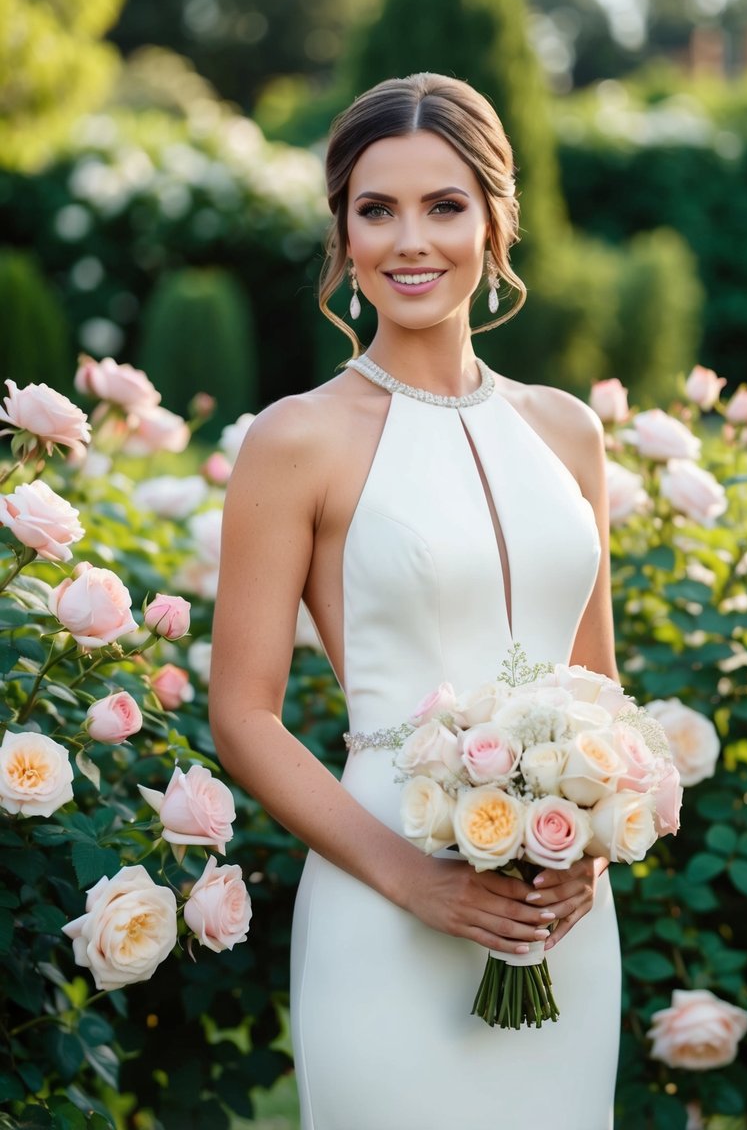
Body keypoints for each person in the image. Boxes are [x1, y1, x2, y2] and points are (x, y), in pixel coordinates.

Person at [210, 73, 621, 1130]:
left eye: (443, 205)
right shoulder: (295, 439)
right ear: (342, 238)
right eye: (374, 209)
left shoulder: (568, 432)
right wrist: (419, 881)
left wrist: (593, 848)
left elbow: (601, 690)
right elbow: (244, 714)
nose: (410, 240)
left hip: (561, 917)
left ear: (495, 220)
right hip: (385, 898)